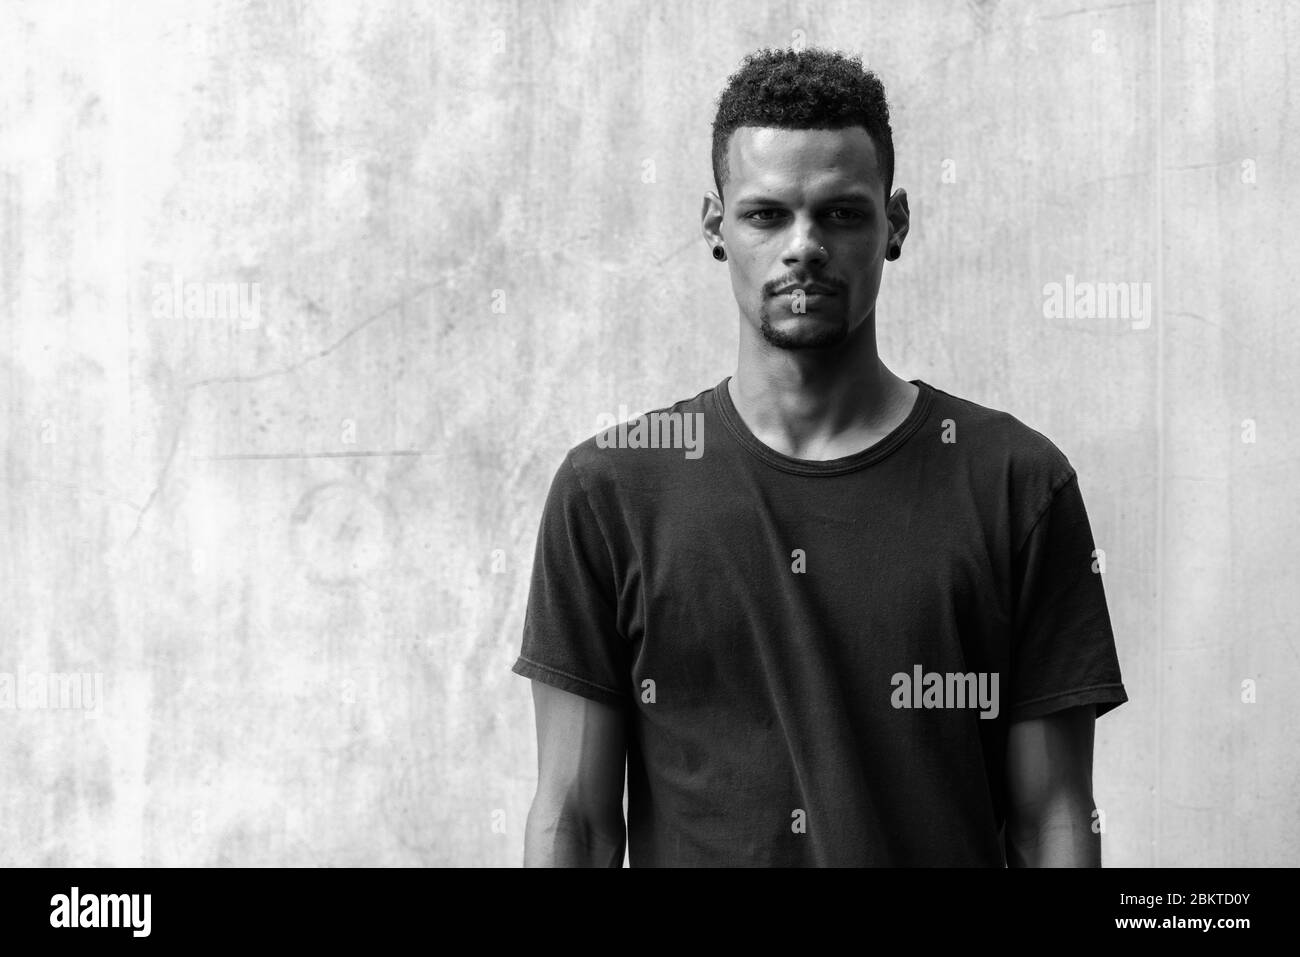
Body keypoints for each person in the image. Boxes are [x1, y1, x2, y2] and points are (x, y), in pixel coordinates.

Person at [512, 47, 1128, 867]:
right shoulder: (611, 491)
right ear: (715, 228)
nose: (803, 247)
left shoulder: (1017, 483)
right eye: (766, 215)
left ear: (894, 222)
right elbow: (575, 823)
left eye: (840, 213)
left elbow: (1053, 816)